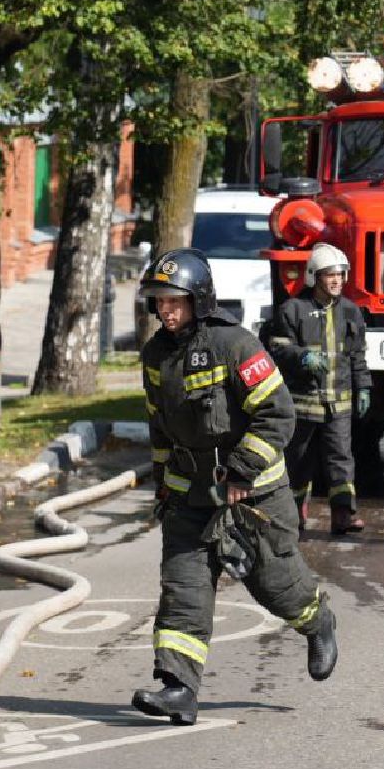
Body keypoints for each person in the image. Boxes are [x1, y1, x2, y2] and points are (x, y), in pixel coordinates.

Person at [133, 247, 339, 726]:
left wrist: (243, 472)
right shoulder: (155, 356)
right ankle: (179, 689)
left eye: (174, 300)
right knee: (182, 588)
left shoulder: (236, 344)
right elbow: (159, 426)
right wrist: (164, 485)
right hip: (190, 498)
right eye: (159, 301)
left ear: (199, 299)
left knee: (275, 584)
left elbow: (277, 413)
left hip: (254, 498)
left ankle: (316, 620)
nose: (165, 309)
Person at [262, 243, 371, 535]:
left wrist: (363, 387)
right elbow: (276, 348)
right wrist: (302, 356)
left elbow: (357, 355)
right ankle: (294, 513)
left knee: (341, 459)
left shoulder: (351, 312)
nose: (337, 280)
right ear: (314, 276)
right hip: (303, 403)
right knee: (298, 461)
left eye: (341, 274)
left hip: (339, 404)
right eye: (329, 275)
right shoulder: (292, 310)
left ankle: (344, 514)